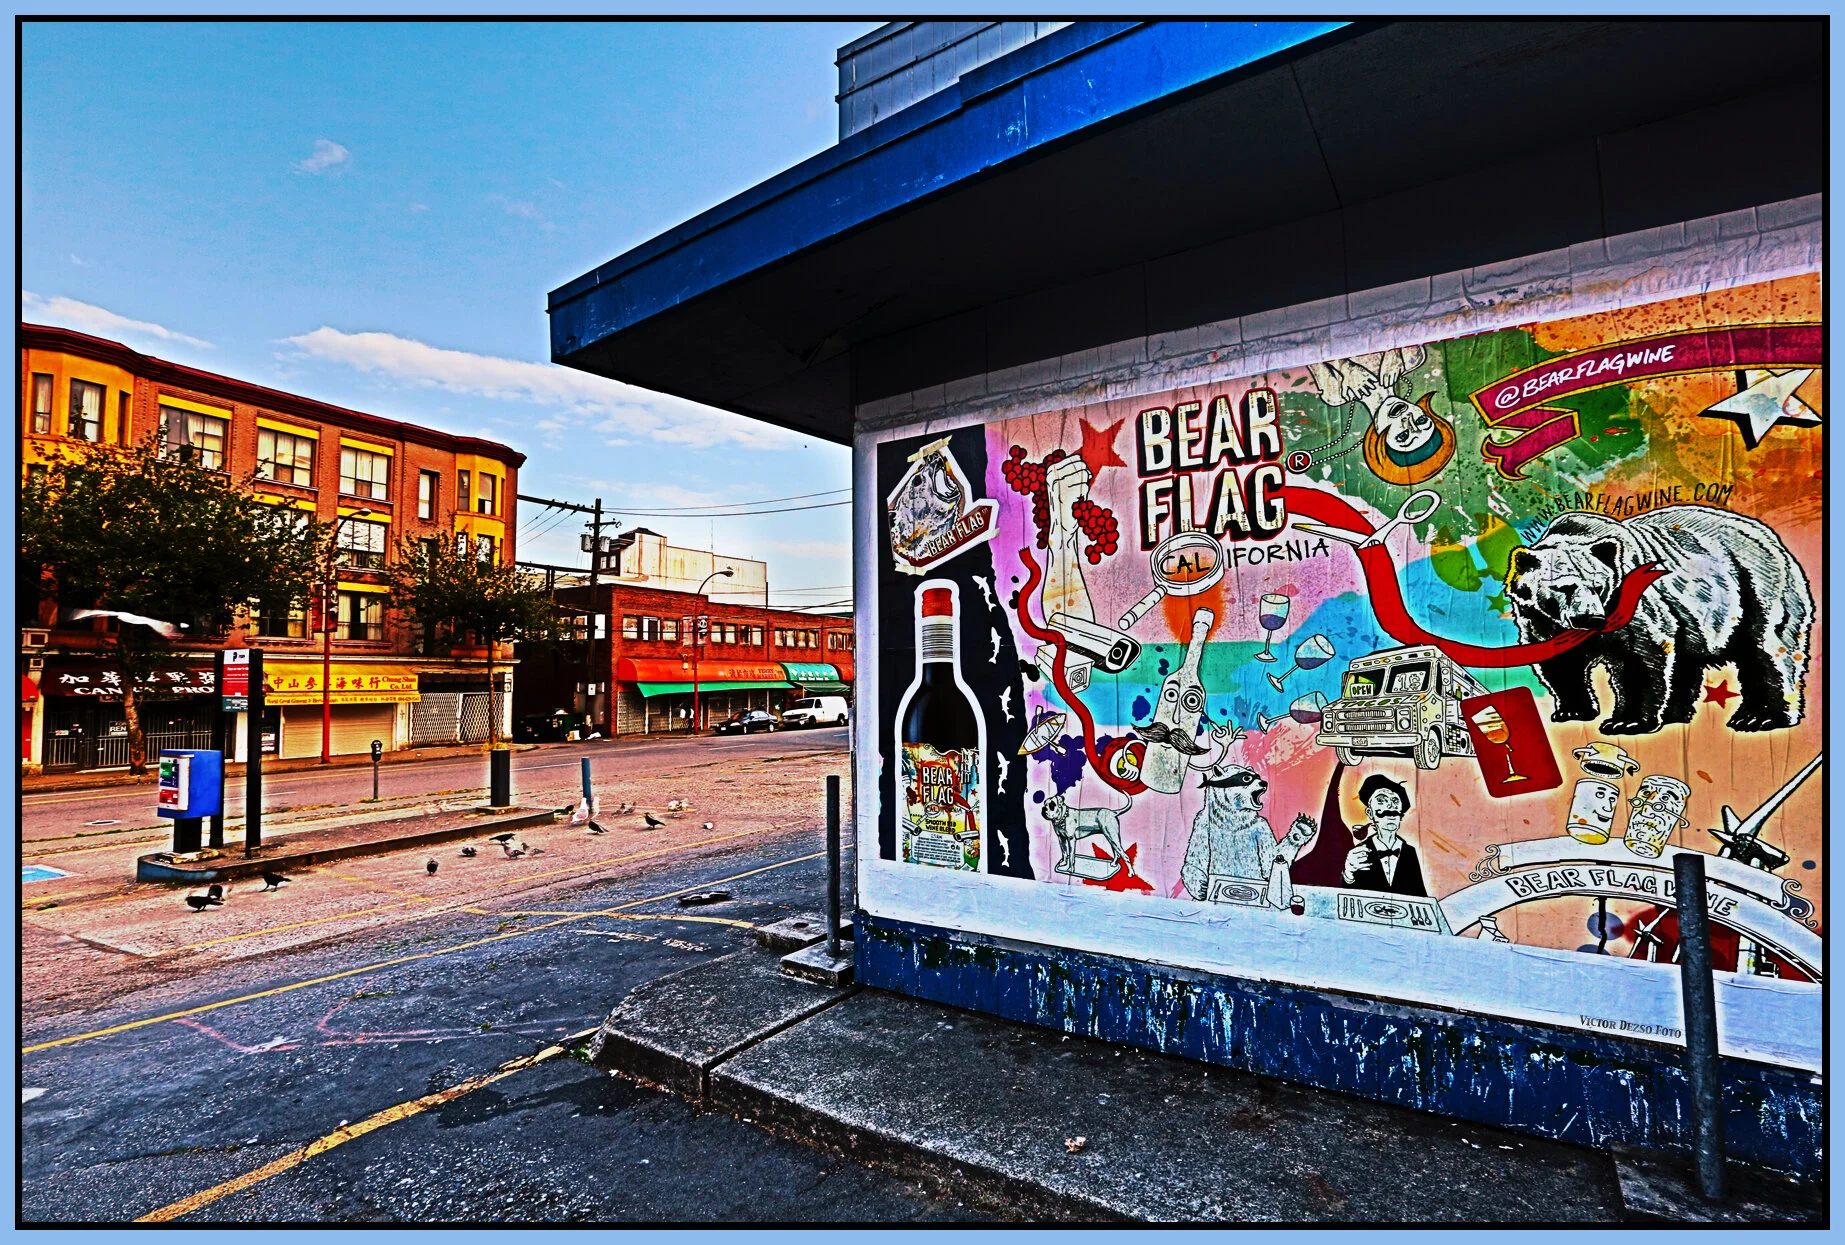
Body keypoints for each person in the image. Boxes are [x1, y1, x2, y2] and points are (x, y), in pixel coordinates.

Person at [1340, 774, 1428, 896]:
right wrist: (1349, 873)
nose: (1390, 806)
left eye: (1395, 801)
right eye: (1381, 800)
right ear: (1370, 813)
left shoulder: (1409, 852)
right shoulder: (1360, 853)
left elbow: (1420, 898)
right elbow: (1348, 898)